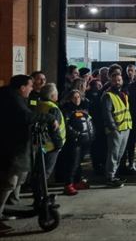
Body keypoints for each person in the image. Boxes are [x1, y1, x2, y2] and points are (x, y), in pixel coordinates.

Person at [0, 75, 57, 222]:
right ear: (22, 87)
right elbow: (26, 116)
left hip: (16, 145)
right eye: (30, 86)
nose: (31, 89)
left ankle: (8, 206)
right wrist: (49, 118)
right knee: (9, 181)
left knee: (16, 179)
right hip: (11, 147)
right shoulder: (12, 99)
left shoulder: (13, 97)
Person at [101, 72, 132, 188]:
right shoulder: (108, 95)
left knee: (119, 154)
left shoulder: (123, 94)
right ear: (111, 81)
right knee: (113, 154)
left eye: (119, 80)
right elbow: (107, 113)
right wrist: (113, 127)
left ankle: (114, 175)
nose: (117, 82)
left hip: (125, 128)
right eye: (115, 80)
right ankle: (110, 177)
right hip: (116, 129)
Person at [61, 90, 94, 195]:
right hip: (74, 141)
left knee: (78, 163)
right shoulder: (67, 110)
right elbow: (66, 125)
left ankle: (77, 182)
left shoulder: (82, 109)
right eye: (74, 97)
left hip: (84, 141)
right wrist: (76, 134)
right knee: (72, 164)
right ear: (69, 98)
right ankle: (68, 184)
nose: (77, 99)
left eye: (78, 97)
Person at [36, 83, 66, 179]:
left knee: (39, 170)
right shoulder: (53, 108)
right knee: (46, 172)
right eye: (56, 93)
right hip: (51, 145)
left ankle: (37, 191)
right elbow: (54, 129)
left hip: (41, 144)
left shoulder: (40, 104)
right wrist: (59, 144)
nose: (57, 95)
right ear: (52, 95)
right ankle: (40, 193)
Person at [87, 79, 106, 175]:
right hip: (95, 124)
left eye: (100, 85)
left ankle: (100, 165)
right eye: (97, 85)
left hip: (100, 125)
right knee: (96, 148)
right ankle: (97, 166)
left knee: (100, 147)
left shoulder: (101, 95)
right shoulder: (91, 96)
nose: (99, 87)